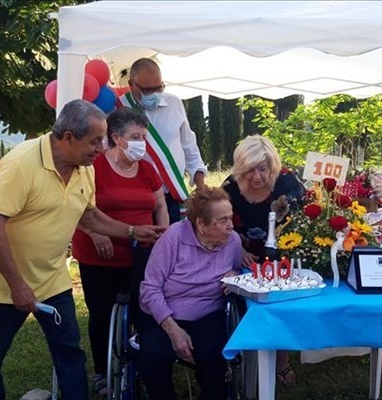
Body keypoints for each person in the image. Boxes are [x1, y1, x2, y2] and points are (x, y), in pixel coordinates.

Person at [0, 100, 165, 400]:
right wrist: (18, 286)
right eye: (95, 140)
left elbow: (89, 215)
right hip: (3, 284)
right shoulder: (21, 164)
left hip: (52, 280)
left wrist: (130, 231)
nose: (101, 147)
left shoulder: (84, 168)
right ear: (69, 137)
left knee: (70, 354)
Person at [70, 107, 168, 396]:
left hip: (143, 253)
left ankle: (141, 365)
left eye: (144, 136)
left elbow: (160, 205)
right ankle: (102, 371)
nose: (142, 142)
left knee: (145, 312)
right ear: (116, 137)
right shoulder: (93, 167)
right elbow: (76, 208)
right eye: (136, 136)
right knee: (101, 314)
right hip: (100, 252)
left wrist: (163, 236)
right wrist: (95, 232)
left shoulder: (148, 169)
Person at [138, 187, 242, 400]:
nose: (230, 226)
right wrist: (174, 331)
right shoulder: (173, 238)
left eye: (230, 218)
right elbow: (150, 288)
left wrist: (234, 274)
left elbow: (237, 270)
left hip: (208, 312)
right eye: (222, 221)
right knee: (153, 357)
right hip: (163, 312)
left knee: (215, 354)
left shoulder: (233, 241)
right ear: (201, 225)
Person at [222, 135, 304, 385]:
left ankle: (281, 361)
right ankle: (241, 354)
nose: (257, 177)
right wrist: (238, 251)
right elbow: (219, 227)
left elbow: (303, 224)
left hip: (282, 253)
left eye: (262, 169)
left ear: (272, 166)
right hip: (241, 255)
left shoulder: (288, 183)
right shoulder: (229, 189)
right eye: (249, 170)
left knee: (280, 305)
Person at [117, 57, 208, 224]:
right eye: (147, 90)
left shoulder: (174, 103)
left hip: (173, 195)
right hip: (139, 198)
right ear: (131, 85)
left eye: (158, 88)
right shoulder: (119, 108)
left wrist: (201, 186)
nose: (154, 94)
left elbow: (189, 147)